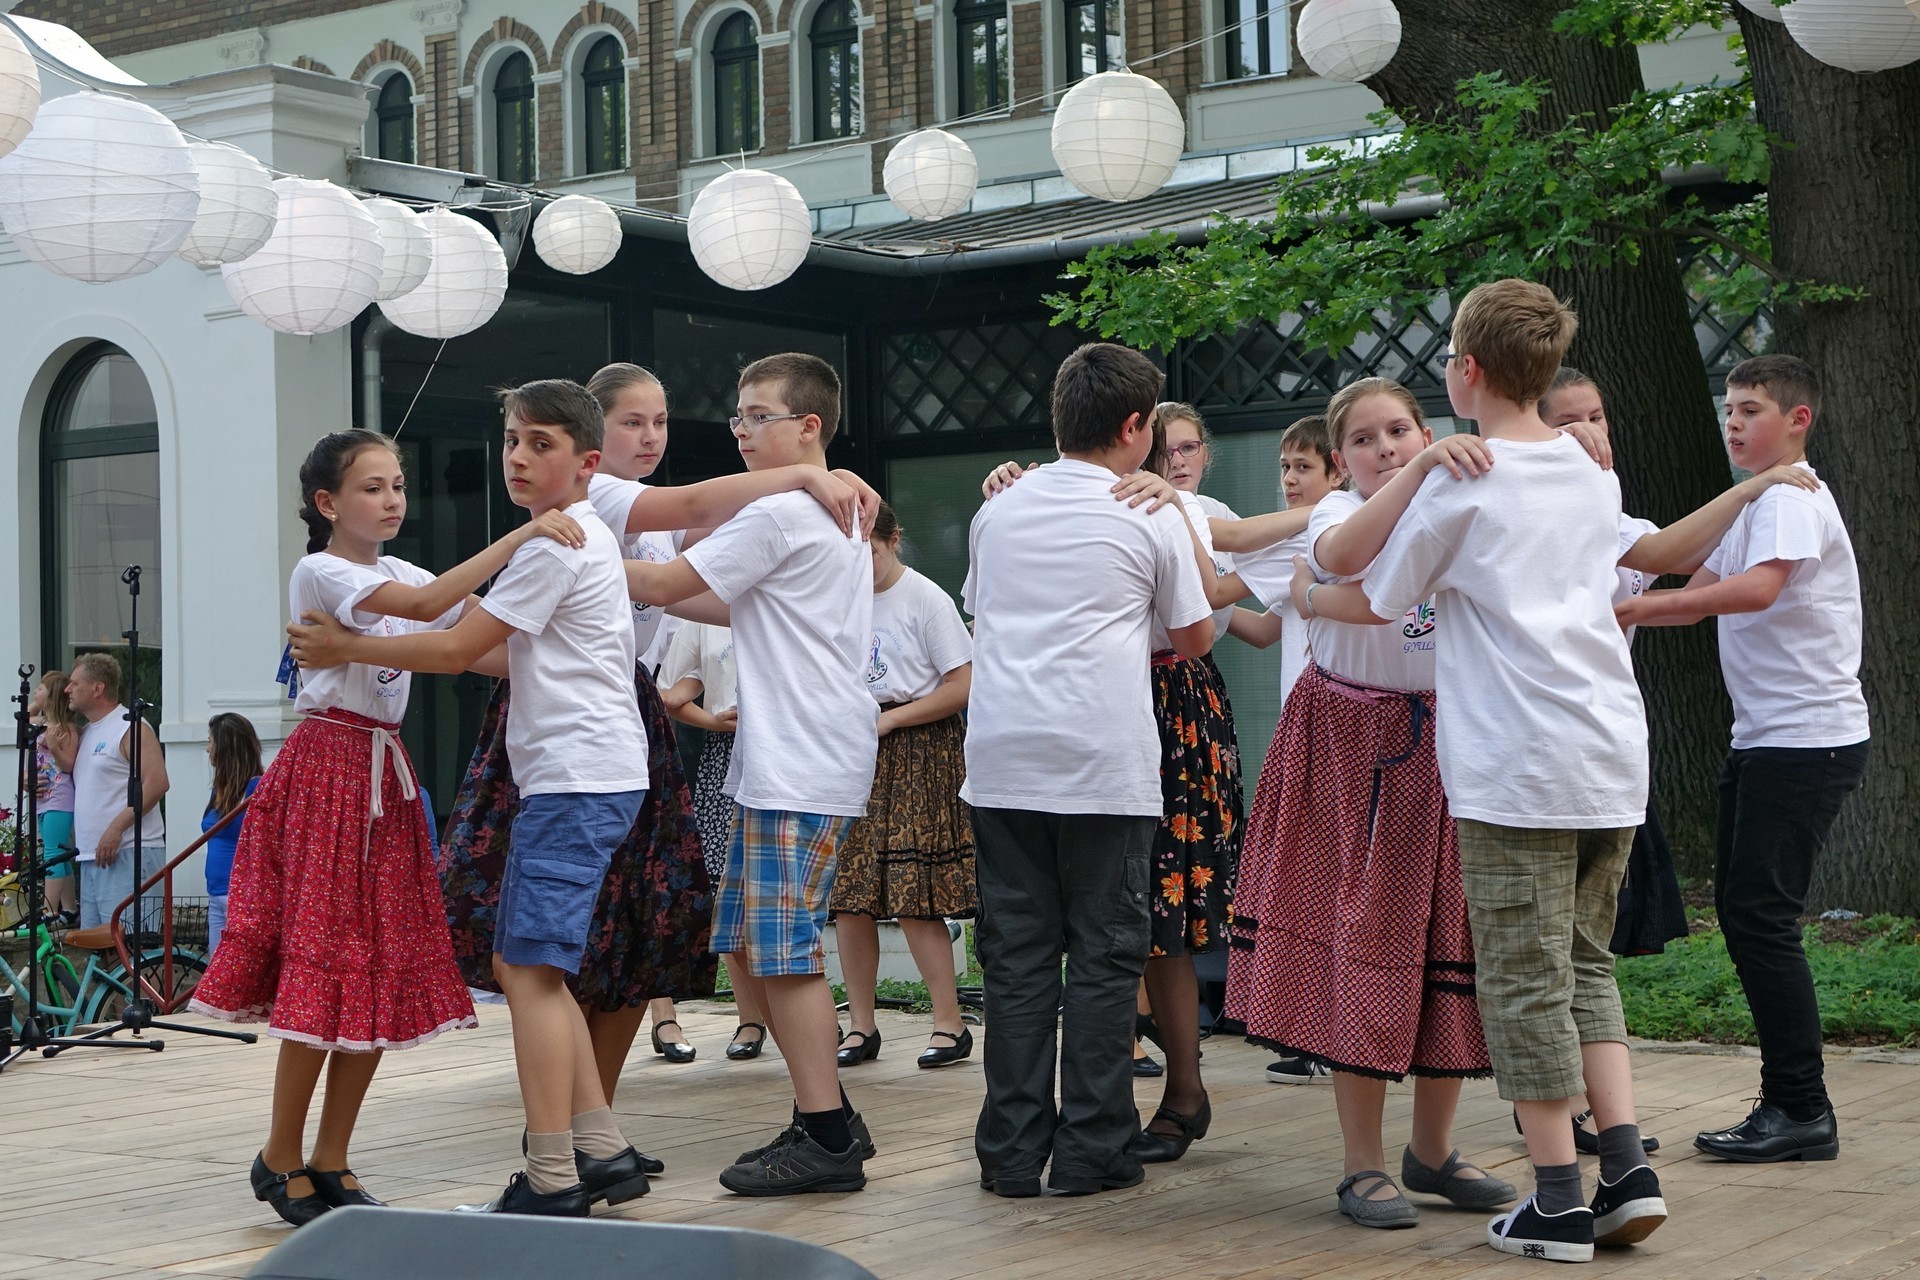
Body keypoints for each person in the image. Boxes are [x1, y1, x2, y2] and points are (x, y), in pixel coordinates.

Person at [1304, 281, 1664, 1262]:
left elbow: (1362, 582)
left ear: (1465, 371)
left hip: (1518, 763)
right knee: (1586, 964)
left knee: (1520, 976)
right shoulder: (1589, 470)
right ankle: (1626, 1170)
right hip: (1608, 753)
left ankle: (1558, 1200)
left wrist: (1419, 476)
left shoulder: (1464, 485)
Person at [288, 386, 666, 1218]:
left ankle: (552, 1176)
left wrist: (347, 643)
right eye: (511, 441)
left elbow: (457, 646)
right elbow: (495, 651)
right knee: (535, 970)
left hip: (575, 777)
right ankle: (601, 1151)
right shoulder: (575, 539)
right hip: (591, 774)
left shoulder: (557, 544)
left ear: (587, 463)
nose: (519, 457)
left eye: (540, 443)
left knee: (527, 970)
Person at [193, 427, 579, 1226]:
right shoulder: (321, 569)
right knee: (324, 970)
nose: (393, 499)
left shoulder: (402, 570)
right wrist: (523, 535)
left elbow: (484, 646)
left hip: (384, 779)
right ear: (327, 503)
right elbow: (431, 612)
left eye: (398, 485)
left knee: (373, 973)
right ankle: (280, 1154)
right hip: (328, 771)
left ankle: (331, 1157)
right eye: (373, 488)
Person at [1233, 377, 1513, 1230]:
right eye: (1364, 439)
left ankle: (1432, 1149)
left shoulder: (1463, 504)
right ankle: (1361, 1164)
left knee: (1447, 942)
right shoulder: (1333, 513)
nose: (1385, 448)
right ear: (1341, 458)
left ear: (1425, 428)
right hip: (1350, 748)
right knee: (1362, 940)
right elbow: (1346, 556)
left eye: (1399, 431)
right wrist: (1421, 469)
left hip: (1449, 743)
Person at [617, 353, 880, 1197]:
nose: (740, 431)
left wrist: (560, 549)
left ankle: (827, 1135)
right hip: (809, 752)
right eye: (738, 416)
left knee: (784, 953)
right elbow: (706, 599)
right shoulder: (828, 509)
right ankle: (826, 1117)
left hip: (799, 758)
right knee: (774, 950)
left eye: (757, 415)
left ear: (808, 426)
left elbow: (667, 578)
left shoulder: (785, 511)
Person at [1538, 365, 1817, 1157]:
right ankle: (1555, 1113)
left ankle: (1614, 1118)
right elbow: (1702, 581)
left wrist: (1641, 603)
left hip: (1627, 759)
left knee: (1596, 947)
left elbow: (1711, 576)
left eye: (1598, 417)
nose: (1589, 434)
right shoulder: (1510, 510)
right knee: (1544, 947)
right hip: (1536, 761)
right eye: (1567, 423)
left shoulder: (1635, 517)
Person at [965, 343, 1214, 1199]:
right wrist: (1178, 521)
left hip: (1002, 760)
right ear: (1136, 426)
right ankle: (1094, 1148)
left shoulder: (998, 508)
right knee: (1106, 959)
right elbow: (1195, 638)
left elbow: (984, 608)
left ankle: (1008, 1154)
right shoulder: (1149, 511)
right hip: (1102, 762)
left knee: (1017, 960)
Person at [1616, 354, 1869, 1164]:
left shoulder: (1790, 497)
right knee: (1747, 915)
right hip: (1768, 740)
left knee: (1760, 919)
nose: (1732, 422)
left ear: (1798, 419)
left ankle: (1800, 1108)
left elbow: (1757, 590)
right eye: (1728, 408)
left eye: (1750, 409)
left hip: (1804, 741)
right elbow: (1691, 592)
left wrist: (1634, 610)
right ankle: (1793, 1102)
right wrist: (1620, 611)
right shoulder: (1761, 499)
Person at [831, 501, 975, 1072]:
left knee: (914, 893)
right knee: (851, 896)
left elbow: (962, 683)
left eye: (868, 549)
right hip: (854, 745)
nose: (859, 562)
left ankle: (949, 1022)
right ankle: (860, 1024)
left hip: (918, 746)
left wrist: (893, 721)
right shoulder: (837, 598)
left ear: (893, 540)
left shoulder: (925, 598)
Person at [658, 621, 768, 1059]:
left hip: (790, 743)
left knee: (786, 890)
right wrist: (714, 723)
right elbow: (669, 694)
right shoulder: (700, 618)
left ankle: (809, 1011)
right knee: (730, 893)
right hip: (727, 752)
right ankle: (750, 1018)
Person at [63, 654, 167, 934]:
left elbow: (157, 783)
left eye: (75, 683)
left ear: (98, 688)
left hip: (128, 851)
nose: (67, 689)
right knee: (98, 949)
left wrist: (115, 829)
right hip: (92, 856)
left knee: (130, 946)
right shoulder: (87, 732)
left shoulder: (130, 727)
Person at [201, 712, 263, 957]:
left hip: (240, 896)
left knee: (234, 969)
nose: (208, 749)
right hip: (216, 894)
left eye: (211, 742)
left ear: (225, 747)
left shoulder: (256, 787)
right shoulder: (220, 789)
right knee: (215, 970)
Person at [29, 670, 79, 926]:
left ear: (52, 696)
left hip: (59, 798)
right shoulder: (40, 724)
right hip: (42, 798)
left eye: (40, 688)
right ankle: (69, 908)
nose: (35, 691)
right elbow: (25, 718)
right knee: (60, 854)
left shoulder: (67, 729)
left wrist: (54, 746)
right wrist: (36, 705)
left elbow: (68, 765)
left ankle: (49, 911)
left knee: (52, 853)